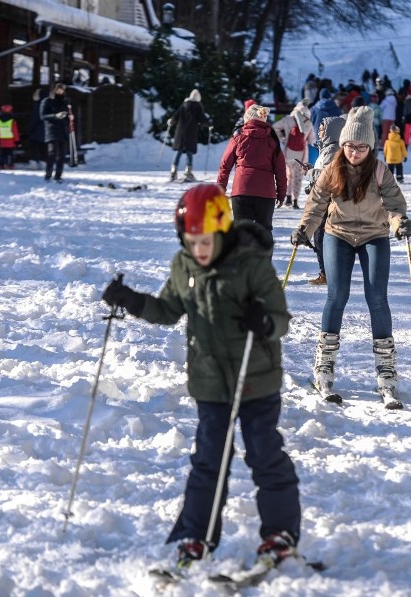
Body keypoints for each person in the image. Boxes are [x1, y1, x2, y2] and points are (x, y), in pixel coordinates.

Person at [100, 183, 300, 572]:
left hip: (255, 380)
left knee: (264, 455)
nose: (200, 249)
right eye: (191, 241)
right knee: (209, 461)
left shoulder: (252, 263)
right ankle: (196, 536)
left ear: (222, 231)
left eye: (206, 241)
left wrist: (263, 322)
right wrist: (131, 301)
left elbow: (281, 320)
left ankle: (280, 535)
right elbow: (168, 310)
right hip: (210, 384)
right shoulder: (184, 266)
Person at [290, 106, 411, 409]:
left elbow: (395, 205)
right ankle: (324, 369)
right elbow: (317, 203)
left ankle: (386, 373)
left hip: (374, 235)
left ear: (369, 147)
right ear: (342, 144)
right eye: (349, 146)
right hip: (338, 235)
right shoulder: (332, 167)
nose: (354, 152)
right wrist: (304, 229)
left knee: (377, 298)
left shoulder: (380, 169)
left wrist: (400, 224)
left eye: (361, 147)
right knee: (337, 295)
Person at [217, 104, 286, 232]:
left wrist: (220, 189)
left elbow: (224, 166)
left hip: (242, 191)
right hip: (266, 194)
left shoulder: (238, 139)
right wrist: (281, 194)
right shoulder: (272, 142)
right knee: (264, 233)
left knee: (241, 232)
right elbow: (281, 171)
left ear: (247, 119)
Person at [304, 115, 348, 286]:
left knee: (321, 236)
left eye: (322, 129)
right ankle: (332, 272)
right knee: (326, 236)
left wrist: (310, 173)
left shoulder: (332, 150)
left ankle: (327, 273)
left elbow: (327, 176)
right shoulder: (330, 148)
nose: (320, 132)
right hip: (328, 198)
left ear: (331, 131)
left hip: (327, 199)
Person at [272, 101, 316, 209]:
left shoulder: (287, 120)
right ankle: (295, 201)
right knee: (298, 178)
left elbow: (274, 127)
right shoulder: (308, 123)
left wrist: (282, 138)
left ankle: (287, 198)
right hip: (301, 155)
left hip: (288, 153)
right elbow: (311, 140)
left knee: (288, 176)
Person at [168, 89, 208, 183]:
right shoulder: (198, 106)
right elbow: (202, 118)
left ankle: (173, 171)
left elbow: (176, 116)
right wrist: (209, 124)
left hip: (180, 132)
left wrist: (171, 121)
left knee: (179, 150)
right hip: (191, 132)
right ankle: (188, 172)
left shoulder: (184, 105)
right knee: (189, 152)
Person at [40, 82, 72, 182]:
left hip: (62, 130)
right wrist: (55, 116)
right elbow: (43, 116)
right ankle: (48, 174)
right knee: (52, 153)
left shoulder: (66, 101)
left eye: (62, 89)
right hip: (51, 129)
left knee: (62, 154)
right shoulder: (47, 101)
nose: (60, 91)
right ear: (54, 89)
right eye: (58, 89)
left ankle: (58, 175)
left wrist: (69, 117)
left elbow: (68, 114)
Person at [0, 104, 20, 170]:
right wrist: (17, 140)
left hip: (2, 140)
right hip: (10, 140)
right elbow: (15, 132)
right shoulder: (12, 121)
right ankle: (10, 165)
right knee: (10, 154)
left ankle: (0, 165)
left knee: (2, 154)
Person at [28, 88, 48, 168]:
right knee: (44, 147)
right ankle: (44, 162)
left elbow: (34, 118)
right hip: (47, 130)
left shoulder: (38, 106)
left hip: (37, 130)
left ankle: (34, 162)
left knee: (35, 146)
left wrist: (31, 128)